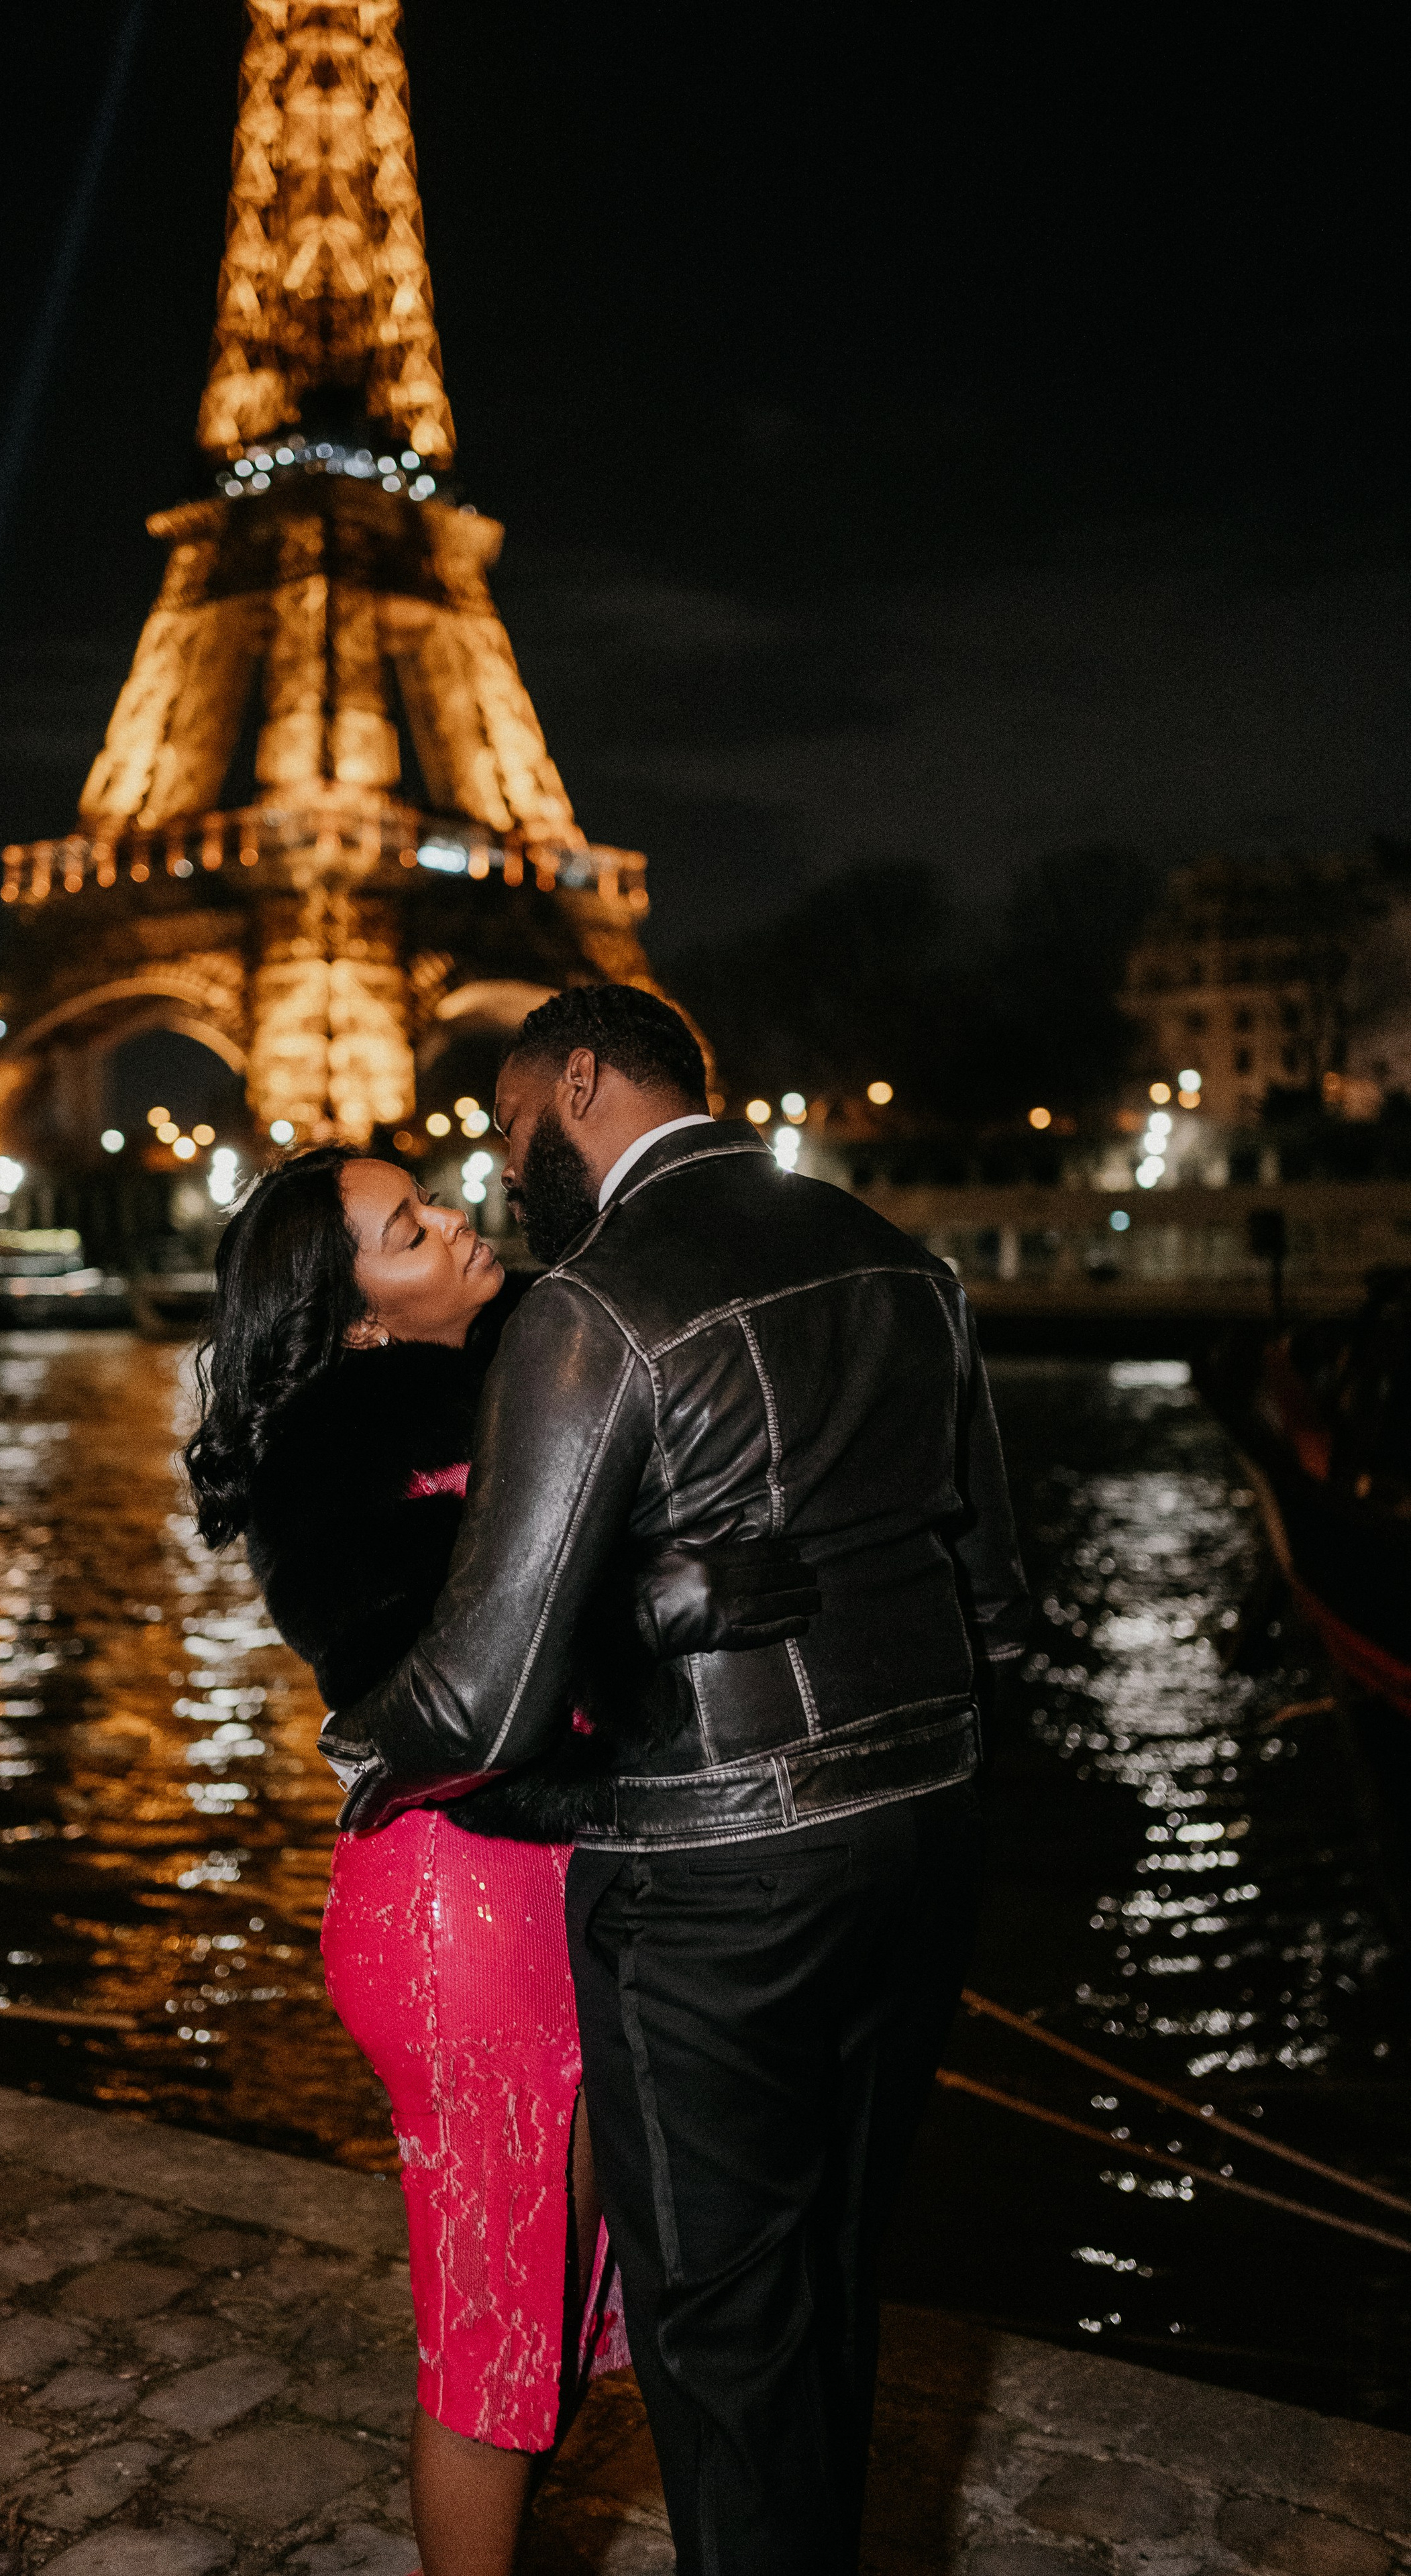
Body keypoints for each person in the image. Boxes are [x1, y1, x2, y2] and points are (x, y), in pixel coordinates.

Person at [323, 983, 1029, 2576]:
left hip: (715, 1883)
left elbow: (484, 1687)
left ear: (579, 1084)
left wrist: (361, 1746)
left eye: (514, 1130)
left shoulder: (594, 1305)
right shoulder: (899, 1263)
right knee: (833, 2286)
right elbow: (993, 1602)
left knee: (723, 2340)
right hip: (918, 1840)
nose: (509, 1172)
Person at [182, 1144, 804, 2576]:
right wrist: (656, 1602)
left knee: (551, 2320)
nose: (454, 1220)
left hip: (540, 1886)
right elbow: (447, 1670)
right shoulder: (333, 1462)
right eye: (407, 1228)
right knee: (492, 2353)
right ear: (354, 1322)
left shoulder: (518, 1377)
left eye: (432, 1200)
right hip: (458, 1909)